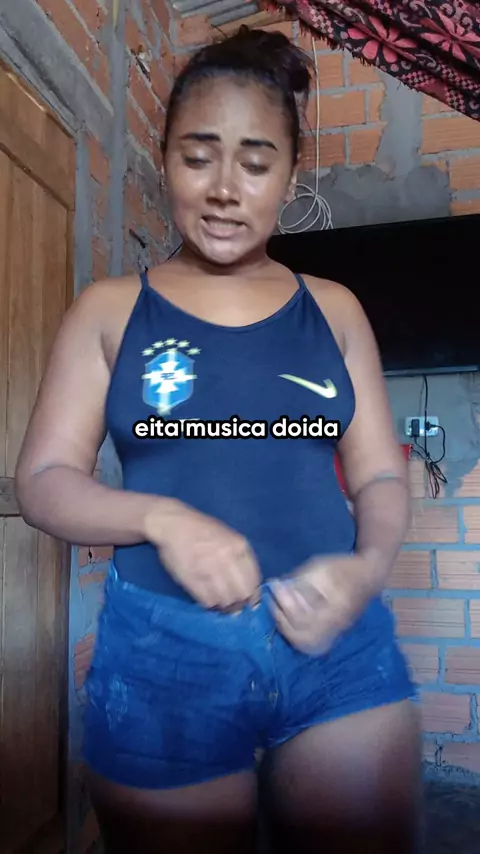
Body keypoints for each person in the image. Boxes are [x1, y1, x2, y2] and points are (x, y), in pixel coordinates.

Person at [15, 26, 421, 854]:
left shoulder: (334, 310)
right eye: (198, 157)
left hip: (334, 642)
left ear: (290, 177)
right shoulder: (110, 310)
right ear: (165, 162)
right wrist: (160, 517)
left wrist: (367, 568)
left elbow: (380, 475)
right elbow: (44, 480)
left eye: (256, 163)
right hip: (164, 651)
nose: (226, 189)